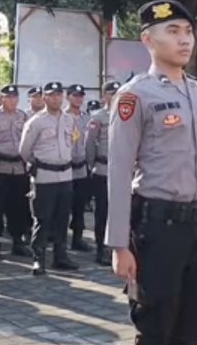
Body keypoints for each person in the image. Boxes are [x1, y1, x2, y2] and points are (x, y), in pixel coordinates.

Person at [106, 0, 197, 344]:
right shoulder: (134, 96)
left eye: (188, 32)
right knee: (156, 330)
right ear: (148, 41)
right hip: (158, 231)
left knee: (190, 329)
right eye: (173, 32)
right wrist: (118, 245)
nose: (184, 40)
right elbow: (119, 171)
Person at [20, 81, 79, 275]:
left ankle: (60, 257)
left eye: (59, 95)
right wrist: (40, 163)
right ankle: (39, 259)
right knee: (42, 219)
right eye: (52, 95)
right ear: (44, 97)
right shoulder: (36, 121)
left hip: (65, 175)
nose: (56, 98)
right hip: (45, 176)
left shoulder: (69, 119)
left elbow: (73, 141)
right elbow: (25, 150)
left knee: (63, 218)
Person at [0, 85, 31, 259]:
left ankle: (17, 242)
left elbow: (28, 139)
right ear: (1, 98)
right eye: (8, 97)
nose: (12, 100)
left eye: (14, 97)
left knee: (18, 207)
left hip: (18, 168)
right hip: (0, 167)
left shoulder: (23, 116)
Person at [85, 80, 121, 265]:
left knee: (123, 212)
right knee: (103, 212)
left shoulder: (127, 114)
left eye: (118, 92)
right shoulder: (97, 117)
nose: (114, 96)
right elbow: (90, 144)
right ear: (104, 96)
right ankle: (101, 248)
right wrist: (91, 165)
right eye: (111, 93)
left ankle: (121, 248)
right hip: (103, 169)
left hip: (123, 172)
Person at [65, 84, 91, 252]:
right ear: (68, 97)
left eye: (81, 96)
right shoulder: (63, 116)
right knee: (62, 207)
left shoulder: (86, 118)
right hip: (65, 169)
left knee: (79, 206)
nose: (79, 99)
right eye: (75, 95)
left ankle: (77, 238)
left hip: (81, 169)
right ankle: (60, 241)